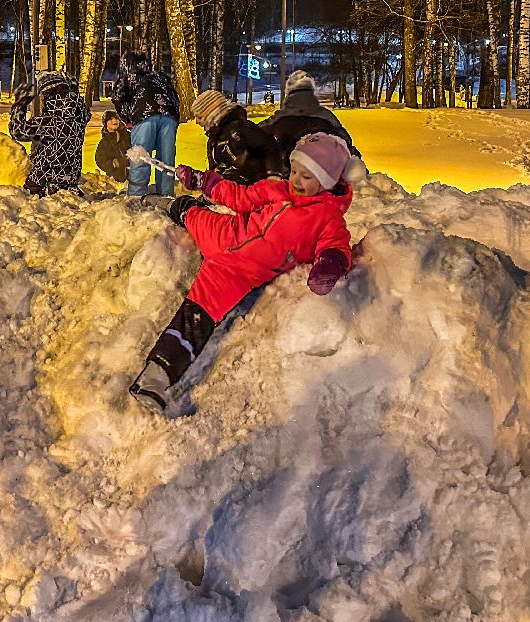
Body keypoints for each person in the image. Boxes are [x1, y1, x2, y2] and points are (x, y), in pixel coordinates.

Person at [129, 133, 358, 413]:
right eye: (295, 171)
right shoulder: (278, 190)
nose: (296, 181)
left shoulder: (327, 218)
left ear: (328, 181)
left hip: (235, 274)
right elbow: (239, 197)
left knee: (194, 320)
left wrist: (329, 264)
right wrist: (203, 182)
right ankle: (168, 204)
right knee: (193, 215)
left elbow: (336, 245)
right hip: (223, 233)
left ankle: (154, 380)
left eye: (307, 177)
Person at [9, 70, 90, 196]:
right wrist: (74, 92)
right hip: (71, 179)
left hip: (43, 181)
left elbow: (17, 131)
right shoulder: (79, 118)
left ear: (48, 95)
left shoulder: (50, 122)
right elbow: (85, 112)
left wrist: (20, 103)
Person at [113, 51, 180, 197]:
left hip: (144, 114)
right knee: (166, 159)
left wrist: (127, 120)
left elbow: (118, 97)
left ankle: (137, 196)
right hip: (169, 115)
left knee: (140, 156)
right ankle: (166, 196)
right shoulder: (160, 77)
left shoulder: (129, 77)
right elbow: (175, 97)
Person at [190, 89, 284, 185]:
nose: (197, 122)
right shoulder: (215, 138)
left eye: (200, 117)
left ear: (211, 114)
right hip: (232, 191)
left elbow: (269, 146)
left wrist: (273, 176)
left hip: (252, 189)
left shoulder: (239, 129)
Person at [263, 70, 358, 158]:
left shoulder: (280, 117)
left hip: (286, 170)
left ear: (288, 93)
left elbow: (257, 133)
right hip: (322, 169)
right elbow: (346, 139)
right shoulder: (326, 116)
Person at [95, 109, 131, 184]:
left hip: (133, 176)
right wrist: (113, 163)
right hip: (115, 181)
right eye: (110, 119)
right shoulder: (104, 142)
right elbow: (100, 160)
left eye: (116, 118)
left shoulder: (127, 136)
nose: (114, 120)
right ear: (105, 123)